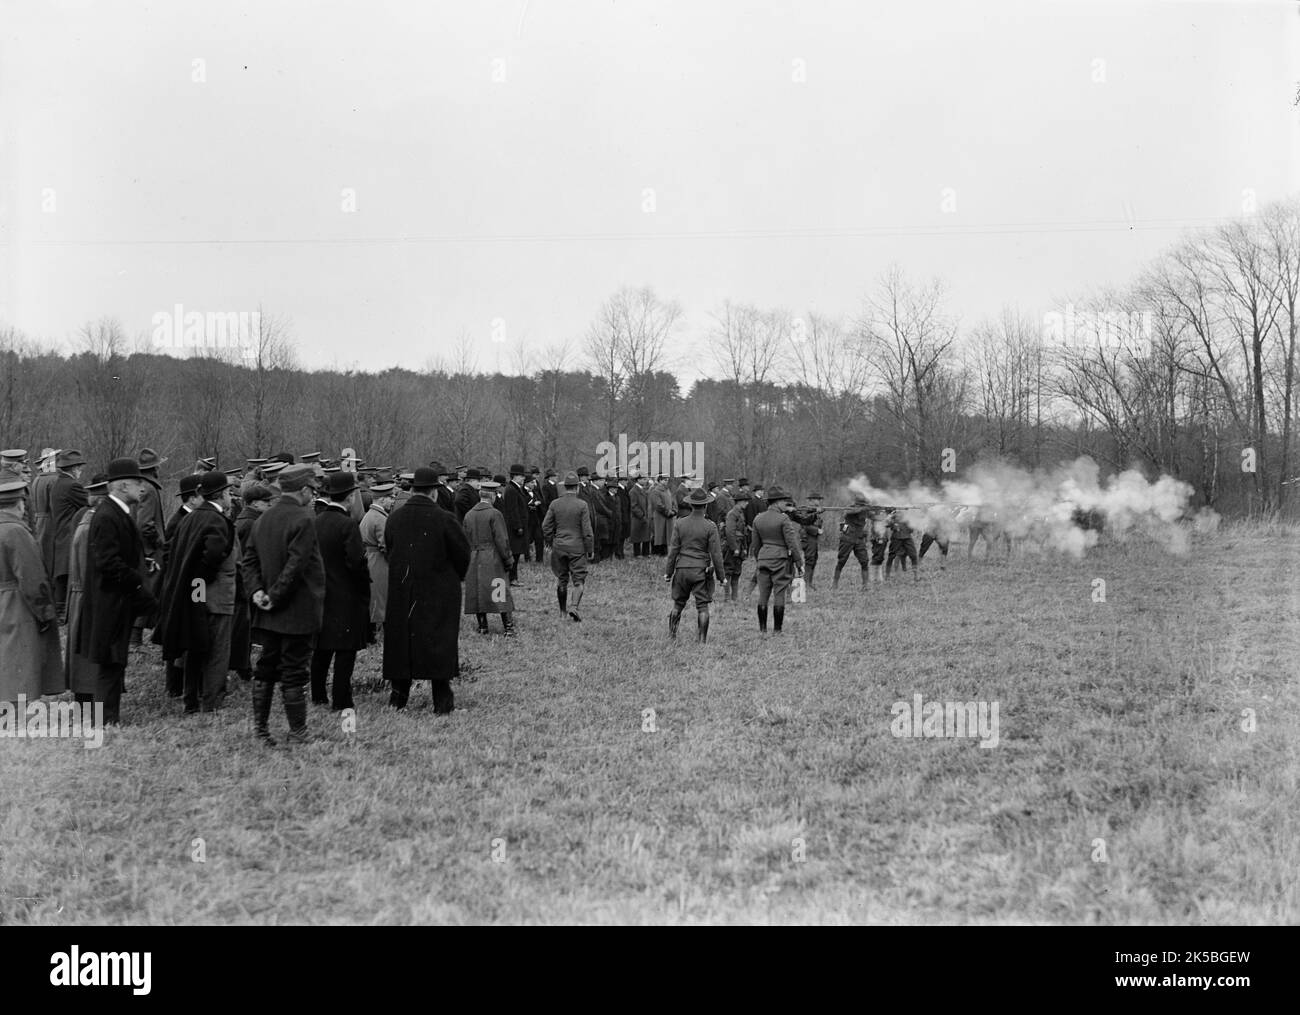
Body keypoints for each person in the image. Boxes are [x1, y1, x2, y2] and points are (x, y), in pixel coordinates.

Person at [242, 464, 325, 746]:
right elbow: (296, 564)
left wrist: (257, 592)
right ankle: (298, 733)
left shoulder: (262, 519)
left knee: (266, 666)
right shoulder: (304, 519)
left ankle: (261, 732)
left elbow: (249, 561)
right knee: (294, 669)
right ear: (303, 490)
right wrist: (274, 595)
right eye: (312, 491)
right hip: (297, 610)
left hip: (267, 612)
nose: (313, 496)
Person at [75, 458, 160, 724]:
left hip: (116, 600)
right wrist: (136, 582)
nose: (142, 488)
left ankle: (109, 716)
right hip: (110, 601)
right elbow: (108, 563)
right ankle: (105, 719)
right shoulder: (109, 515)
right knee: (110, 662)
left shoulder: (116, 512)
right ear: (123, 485)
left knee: (115, 661)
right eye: (137, 483)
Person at [383, 467, 470, 714]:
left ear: (412, 490)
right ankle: (442, 703)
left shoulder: (395, 518)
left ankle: (398, 699)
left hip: (402, 591)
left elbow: (390, 550)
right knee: (438, 643)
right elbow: (462, 554)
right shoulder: (445, 518)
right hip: (438, 592)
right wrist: (454, 577)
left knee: (402, 642)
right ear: (434, 492)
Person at [153, 471, 237, 715]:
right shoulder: (217, 520)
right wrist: (204, 578)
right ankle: (211, 701)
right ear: (221, 495)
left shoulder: (190, 518)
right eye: (229, 493)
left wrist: (197, 585)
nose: (231, 497)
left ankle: (191, 699)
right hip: (215, 595)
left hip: (193, 594)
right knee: (217, 650)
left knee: (195, 645)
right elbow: (213, 555)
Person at [310, 471, 370, 711]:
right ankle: (341, 699)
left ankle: (317, 695)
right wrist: (363, 586)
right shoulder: (347, 525)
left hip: (321, 594)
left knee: (322, 649)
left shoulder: (315, 522)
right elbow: (356, 562)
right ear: (350, 497)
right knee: (345, 651)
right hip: (346, 596)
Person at [0, 480, 63, 703]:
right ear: (19, 504)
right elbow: (33, 578)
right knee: (19, 656)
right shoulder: (16, 532)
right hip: (17, 603)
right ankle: (14, 708)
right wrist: (45, 613)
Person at [663, 486, 726, 643]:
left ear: (691, 505)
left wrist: (668, 573)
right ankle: (702, 640)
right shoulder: (710, 526)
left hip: (682, 569)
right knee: (702, 606)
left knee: (678, 603)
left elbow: (673, 551)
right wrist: (721, 577)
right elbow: (716, 554)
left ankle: (672, 635)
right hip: (700, 570)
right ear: (705, 506)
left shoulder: (680, 524)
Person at [65, 474, 108, 697]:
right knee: (87, 656)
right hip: (87, 597)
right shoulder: (91, 527)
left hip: (82, 595)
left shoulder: (86, 521)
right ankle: (89, 697)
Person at [231, 482, 274, 682]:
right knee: (245, 628)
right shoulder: (251, 523)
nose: (269, 505)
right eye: (266, 502)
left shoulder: (246, 519)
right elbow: (250, 557)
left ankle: (243, 666)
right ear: (255, 503)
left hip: (244, 583)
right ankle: (244, 668)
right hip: (247, 584)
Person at [462, 479, 516, 636]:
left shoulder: (469, 515)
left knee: (478, 591)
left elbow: (465, 538)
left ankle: (483, 626)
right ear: (492, 496)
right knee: (499, 590)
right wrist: (508, 559)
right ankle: (508, 627)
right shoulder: (495, 513)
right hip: (492, 557)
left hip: (474, 557)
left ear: (480, 495)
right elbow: (502, 539)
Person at [749, 485, 804, 634]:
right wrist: (799, 562)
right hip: (780, 559)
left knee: (763, 595)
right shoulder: (783, 518)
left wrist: (759, 559)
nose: (785, 504)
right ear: (776, 502)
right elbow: (791, 543)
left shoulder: (758, 519)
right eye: (783, 501)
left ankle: (762, 630)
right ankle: (777, 630)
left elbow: (755, 544)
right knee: (779, 593)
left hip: (763, 558)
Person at [541, 471, 594, 622]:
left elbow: (545, 526)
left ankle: (562, 612)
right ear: (577, 487)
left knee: (562, 579)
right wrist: (590, 549)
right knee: (579, 580)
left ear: (564, 487)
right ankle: (574, 607)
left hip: (559, 547)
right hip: (577, 547)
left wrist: (551, 541)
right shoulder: (582, 505)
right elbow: (587, 531)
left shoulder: (555, 504)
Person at [130, 447, 169, 644]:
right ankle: (135, 637)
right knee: (149, 589)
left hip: (141, 547)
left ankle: (136, 636)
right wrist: (159, 544)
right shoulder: (150, 489)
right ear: (154, 468)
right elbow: (145, 524)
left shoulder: (139, 486)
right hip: (150, 550)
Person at [48, 449, 88, 623]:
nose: (80, 471)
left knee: (62, 575)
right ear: (72, 469)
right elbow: (88, 501)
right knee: (68, 574)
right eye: (79, 467)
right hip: (69, 534)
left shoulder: (58, 483)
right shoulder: (72, 486)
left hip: (60, 533)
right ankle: (63, 614)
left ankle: (59, 612)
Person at [359, 480, 394, 642]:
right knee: (382, 598)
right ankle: (378, 634)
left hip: (369, 559)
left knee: (374, 597)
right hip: (379, 562)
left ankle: (371, 632)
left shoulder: (369, 515)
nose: (392, 501)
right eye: (390, 497)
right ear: (382, 500)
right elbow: (385, 545)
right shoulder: (380, 518)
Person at [832, 493, 872, 590]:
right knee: (841, 561)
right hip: (848, 538)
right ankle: (834, 584)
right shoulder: (850, 508)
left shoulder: (866, 510)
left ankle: (865, 585)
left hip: (859, 539)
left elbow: (875, 517)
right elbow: (848, 512)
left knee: (864, 561)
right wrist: (862, 508)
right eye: (862, 504)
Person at [789, 493, 825, 590]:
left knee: (813, 560)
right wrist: (817, 530)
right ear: (811, 500)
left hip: (813, 538)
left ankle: (809, 582)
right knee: (809, 560)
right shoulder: (806, 510)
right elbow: (804, 524)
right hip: (808, 538)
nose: (818, 501)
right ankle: (805, 583)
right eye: (816, 499)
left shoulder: (815, 511)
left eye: (819, 499)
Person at [501, 465, 530, 584]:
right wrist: (518, 526)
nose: (524, 478)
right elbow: (513, 511)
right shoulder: (511, 489)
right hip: (514, 528)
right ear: (515, 476)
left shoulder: (517, 488)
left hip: (519, 526)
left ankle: (513, 578)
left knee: (517, 554)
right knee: (514, 553)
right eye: (521, 475)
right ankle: (512, 578)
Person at [722, 489, 750, 601]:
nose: (747, 503)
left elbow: (743, 533)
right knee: (728, 571)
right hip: (731, 547)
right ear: (739, 502)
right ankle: (727, 597)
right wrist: (734, 548)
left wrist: (744, 548)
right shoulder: (732, 514)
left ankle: (735, 597)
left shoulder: (740, 514)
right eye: (745, 501)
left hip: (740, 545)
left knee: (737, 572)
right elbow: (729, 532)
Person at [598, 474, 624, 560]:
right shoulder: (605, 497)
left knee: (615, 541)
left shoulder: (618, 498)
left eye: (617, 488)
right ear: (610, 488)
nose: (616, 490)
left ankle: (611, 557)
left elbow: (619, 511)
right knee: (607, 542)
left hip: (617, 523)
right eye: (615, 488)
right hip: (608, 523)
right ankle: (605, 557)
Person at [649, 475, 675, 556]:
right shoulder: (655, 491)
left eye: (667, 480)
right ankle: (657, 552)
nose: (666, 481)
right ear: (659, 481)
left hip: (668, 516)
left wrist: (674, 510)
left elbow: (672, 501)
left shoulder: (667, 490)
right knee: (659, 534)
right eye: (664, 480)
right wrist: (667, 512)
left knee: (666, 534)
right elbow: (657, 504)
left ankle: (664, 551)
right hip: (660, 516)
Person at [629, 474, 652, 556]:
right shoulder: (633, 491)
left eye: (646, 479)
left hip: (645, 516)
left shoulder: (644, 490)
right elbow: (633, 506)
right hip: (637, 517)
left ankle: (646, 553)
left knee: (646, 535)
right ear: (638, 480)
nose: (645, 481)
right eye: (643, 479)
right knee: (637, 536)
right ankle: (637, 553)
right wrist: (641, 515)